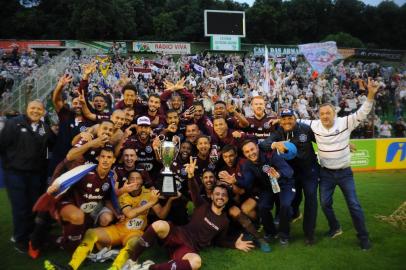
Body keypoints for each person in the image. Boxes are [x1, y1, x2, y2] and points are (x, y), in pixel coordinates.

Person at [124, 157, 254, 270]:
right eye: (217, 194)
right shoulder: (202, 205)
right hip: (177, 234)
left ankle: (148, 267)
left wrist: (234, 244)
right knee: (159, 224)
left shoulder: (224, 221)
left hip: (189, 247)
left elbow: (219, 241)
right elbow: (194, 191)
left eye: (223, 195)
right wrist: (191, 176)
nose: (220, 197)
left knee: (196, 262)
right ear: (213, 196)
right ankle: (132, 260)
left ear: (226, 199)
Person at [298, 78, 380, 250]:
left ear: (334, 113)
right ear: (318, 116)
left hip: (344, 173)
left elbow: (362, 112)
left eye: (328, 113)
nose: (325, 116)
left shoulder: (345, 122)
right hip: (325, 173)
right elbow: (294, 121)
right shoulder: (315, 125)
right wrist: (277, 119)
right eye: (322, 114)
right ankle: (335, 227)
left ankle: (363, 237)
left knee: (354, 205)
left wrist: (371, 94)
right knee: (325, 204)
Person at [44, 171, 177, 270]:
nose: (135, 181)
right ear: (128, 181)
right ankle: (72, 266)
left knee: (133, 245)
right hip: (118, 229)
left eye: (138, 179)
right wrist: (150, 204)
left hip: (135, 232)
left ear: (142, 181)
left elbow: (161, 214)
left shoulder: (149, 194)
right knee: (91, 233)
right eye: (132, 179)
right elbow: (129, 214)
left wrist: (170, 200)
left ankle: (114, 268)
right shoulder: (124, 195)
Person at [0, 100, 55, 253]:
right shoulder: (14, 124)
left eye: (39, 109)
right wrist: (9, 165)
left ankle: (31, 235)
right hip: (15, 174)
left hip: (35, 175)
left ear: (44, 112)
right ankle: (20, 239)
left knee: (33, 206)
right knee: (20, 208)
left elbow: (52, 144)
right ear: (27, 109)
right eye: (33, 108)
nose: (36, 111)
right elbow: (2, 145)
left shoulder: (44, 128)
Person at [260, 108, 319, 245]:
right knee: (293, 198)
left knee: (310, 199)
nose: (287, 121)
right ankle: (293, 216)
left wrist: (343, 143)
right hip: (291, 174)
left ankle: (309, 234)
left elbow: (322, 141)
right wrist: (275, 144)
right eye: (284, 118)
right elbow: (264, 145)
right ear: (280, 121)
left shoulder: (305, 129)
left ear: (295, 118)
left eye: (290, 118)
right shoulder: (278, 132)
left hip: (308, 172)